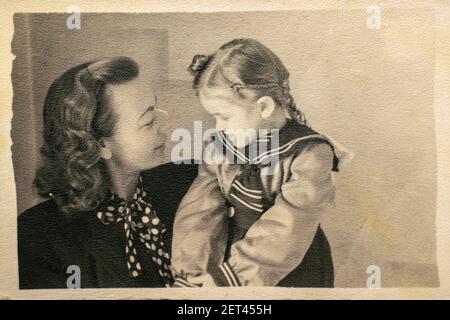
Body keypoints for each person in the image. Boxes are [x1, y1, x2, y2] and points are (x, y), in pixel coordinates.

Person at [171, 38, 352, 287]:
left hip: (289, 268)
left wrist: (231, 280)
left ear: (264, 107)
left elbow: (288, 227)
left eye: (224, 117)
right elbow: (200, 212)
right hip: (229, 260)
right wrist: (192, 275)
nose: (218, 128)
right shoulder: (221, 148)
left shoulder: (310, 153)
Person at [18, 57, 197, 289]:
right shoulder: (39, 237)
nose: (164, 125)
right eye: (148, 121)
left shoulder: (188, 180)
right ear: (100, 145)